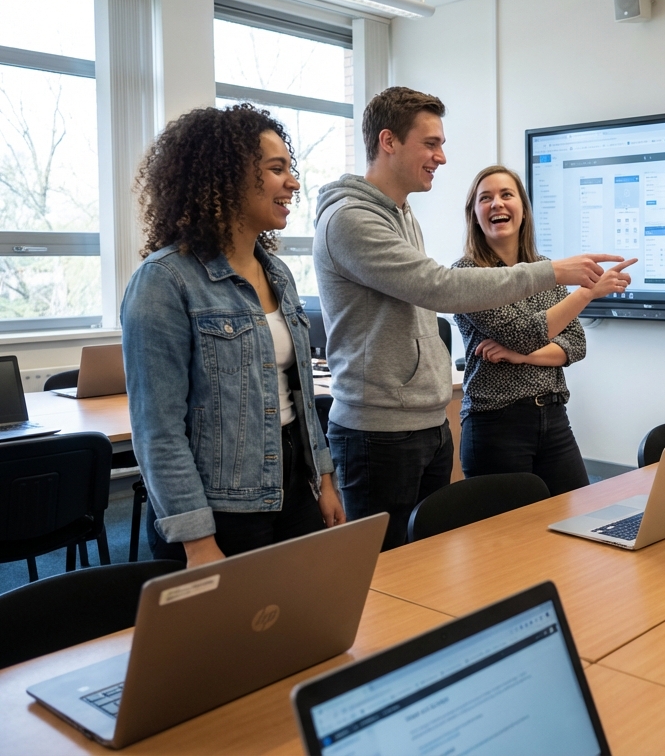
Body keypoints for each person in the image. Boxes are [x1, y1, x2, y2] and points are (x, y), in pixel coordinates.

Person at [313, 86, 629, 549]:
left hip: (427, 423)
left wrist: (526, 350)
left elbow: (574, 344)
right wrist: (556, 276)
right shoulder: (351, 219)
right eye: (431, 143)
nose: (441, 156)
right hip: (382, 432)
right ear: (388, 141)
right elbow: (442, 288)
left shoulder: (402, 215)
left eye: (507, 195)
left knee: (431, 565)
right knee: (397, 577)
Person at [122, 104, 345, 568]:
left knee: (298, 627)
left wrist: (324, 481)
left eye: (291, 168)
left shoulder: (278, 273)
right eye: (276, 169)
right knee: (227, 640)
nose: (294, 183)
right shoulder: (164, 281)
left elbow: (299, 394)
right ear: (225, 178)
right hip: (221, 507)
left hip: (292, 485)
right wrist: (196, 539)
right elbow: (157, 431)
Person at [452, 166, 635, 494]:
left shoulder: (545, 269)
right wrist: (587, 292)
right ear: (474, 214)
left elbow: (575, 344)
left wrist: (519, 357)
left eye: (507, 195)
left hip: (552, 416)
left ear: (523, 210)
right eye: (486, 198)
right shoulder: (467, 274)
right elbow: (521, 333)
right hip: (496, 424)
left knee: (572, 524)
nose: (497, 204)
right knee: (510, 541)